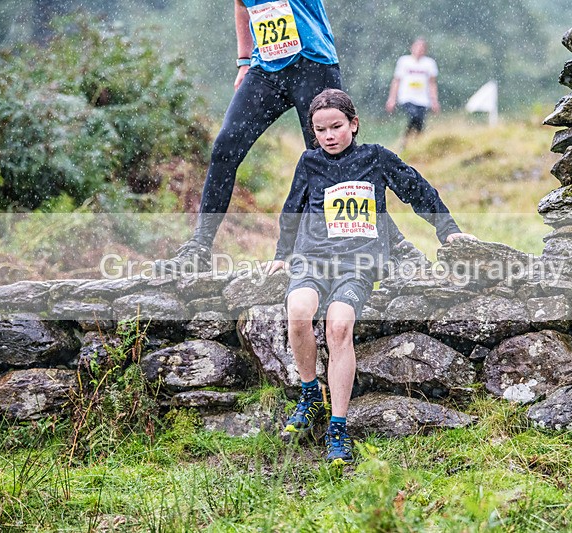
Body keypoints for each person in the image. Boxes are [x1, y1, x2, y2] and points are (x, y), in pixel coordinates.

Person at [268, 89, 474, 465]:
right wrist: (282, 255)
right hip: (312, 260)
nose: (329, 136)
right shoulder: (309, 162)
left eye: (336, 127)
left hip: (357, 265)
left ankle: (338, 428)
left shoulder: (375, 157)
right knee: (298, 311)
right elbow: (292, 209)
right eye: (320, 130)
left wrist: (448, 229)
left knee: (338, 327)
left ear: (354, 124)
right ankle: (310, 394)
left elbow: (416, 189)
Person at [161, 0, 412, 272]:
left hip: (313, 63)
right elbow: (242, 4)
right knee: (225, 147)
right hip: (265, 69)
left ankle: (396, 246)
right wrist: (244, 61)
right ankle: (198, 249)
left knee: (334, 161)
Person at [385, 38, 440, 148]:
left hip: (423, 99)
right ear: (412, 48)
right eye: (417, 48)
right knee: (414, 116)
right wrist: (392, 99)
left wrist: (434, 101)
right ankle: (405, 141)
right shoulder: (404, 61)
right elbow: (396, 80)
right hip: (407, 97)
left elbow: (432, 83)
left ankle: (415, 143)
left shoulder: (429, 63)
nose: (419, 51)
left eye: (422, 48)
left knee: (420, 122)